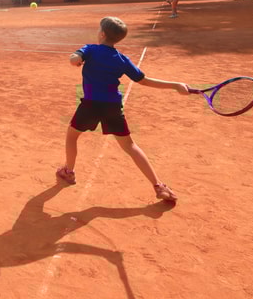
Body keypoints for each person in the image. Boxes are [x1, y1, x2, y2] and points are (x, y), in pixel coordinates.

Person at [56, 16, 189, 202]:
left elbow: (73, 59)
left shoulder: (91, 49)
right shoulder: (122, 59)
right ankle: (159, 186)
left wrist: (76, 59)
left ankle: (69, 172)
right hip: (112, 106)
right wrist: (175, 85)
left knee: (72, 136)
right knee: (130, 146)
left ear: (102, 34)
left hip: (91, 105)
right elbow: (143, 80)